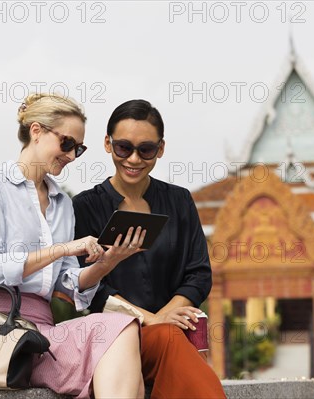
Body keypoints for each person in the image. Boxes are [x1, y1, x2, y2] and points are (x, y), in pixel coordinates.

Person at [0, 93, 147, 398]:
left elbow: (67, 286)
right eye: (66, 144)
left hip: (41, 331)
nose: (72, 155)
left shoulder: (62, 202)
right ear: (36, 131)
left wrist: (109, 262)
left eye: (79, 148)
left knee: (122, 326)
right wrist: (63, 248)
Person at [72, 99, 226, 399]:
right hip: (116, 339)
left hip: (174, 333)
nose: (133, 159)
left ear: (161, 148)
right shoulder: (84, 207)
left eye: (146, 150)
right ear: (107, 143)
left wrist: (165, 319)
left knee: (170, 338)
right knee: (169, 337)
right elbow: (89, 288)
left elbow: (198, 274)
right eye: (123, 148)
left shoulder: (179, 201)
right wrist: (151, 320)